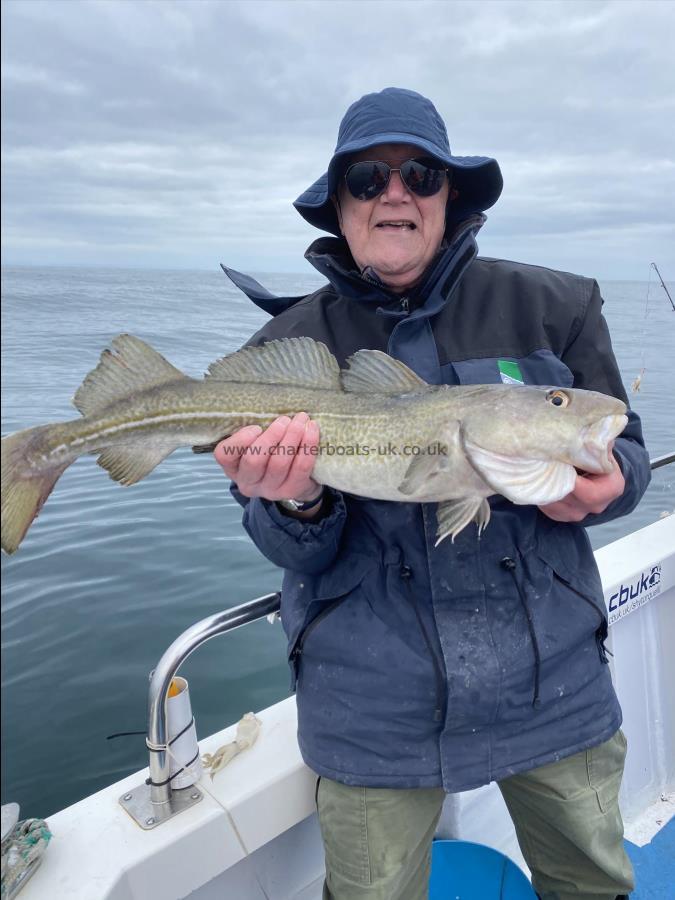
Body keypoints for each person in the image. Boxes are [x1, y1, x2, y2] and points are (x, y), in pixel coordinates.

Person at [215, 88, 650, 900]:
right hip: (368, 706)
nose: (395, 193)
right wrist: (294, 502)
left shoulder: (557, 304)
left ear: (449, 196)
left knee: (591, 882)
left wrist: (615, 482)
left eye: (419, 174)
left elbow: (621, 448)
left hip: (553, 681)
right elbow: (277, 540)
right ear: (336, 204)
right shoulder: (281, 350)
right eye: (366, 178)